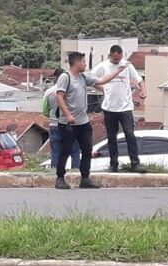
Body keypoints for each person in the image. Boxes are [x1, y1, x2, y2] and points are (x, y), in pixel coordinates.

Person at [54, 51, 129, 190]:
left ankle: (85, 178)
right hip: (68, 124)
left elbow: (101, 81)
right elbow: (59, 97)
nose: (85, 64)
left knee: (87, 150)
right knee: (65, 150)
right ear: (76, 62)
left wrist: (118, 71)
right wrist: (68, 115)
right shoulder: (65, 77)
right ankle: (60, 178)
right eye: (83, 61)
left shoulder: (83, 77)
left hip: (83, 122)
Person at [92, 45, 147, 173]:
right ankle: (113, 164)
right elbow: (91, 80)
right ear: (110, 55)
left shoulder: (126, 65)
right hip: (109, 108)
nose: (117, 62)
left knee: (130, 135)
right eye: (115, 59)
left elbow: (139, 80)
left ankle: (135, 163)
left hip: (125, 108)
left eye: (119, 59)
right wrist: (104, 89)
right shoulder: (103, 66)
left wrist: (143, 91)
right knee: (111, 138)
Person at [43, 68, 80, 170]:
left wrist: (53, 117)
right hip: (71, 125)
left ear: (55, 78)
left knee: (56, 151)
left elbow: (45, 111)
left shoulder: (49, 92)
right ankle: (75, 171)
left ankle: (55, 171)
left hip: (54, 125)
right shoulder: (73, 90)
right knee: (75, 150)